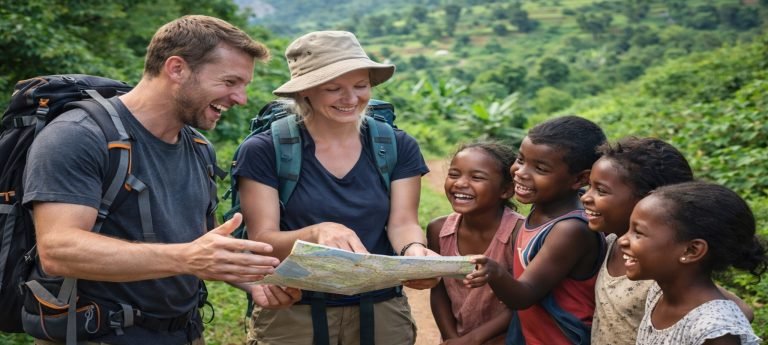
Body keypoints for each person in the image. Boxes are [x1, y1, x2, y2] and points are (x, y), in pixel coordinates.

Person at [22, 15, 300, 345]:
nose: (240, 98)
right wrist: (187, 258)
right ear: (177, 68)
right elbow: (58, 251)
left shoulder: (198, 147)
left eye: (244, 86)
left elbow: (197, 242)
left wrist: (252, 280)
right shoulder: (79, 135)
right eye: (230, 82)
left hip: (183, 332)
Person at [232, 30, 436, 345]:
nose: (351, 99)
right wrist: (316, 232)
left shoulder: (396, 145)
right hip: (295, 311)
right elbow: (264, 241)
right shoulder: (266, 150)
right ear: (305, 92)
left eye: (360, 85)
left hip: (381, 309)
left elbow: (403, 222)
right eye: (333, 88)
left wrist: (414, 252)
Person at [581, 136, 754, 345]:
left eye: (601, 190)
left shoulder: (660, 270)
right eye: (589, 187)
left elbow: (736, 312)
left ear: (649, 198)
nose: (585, 197)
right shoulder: (615, 243)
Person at [466, 115, 607, 345]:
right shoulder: (541, 211)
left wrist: (494, 271)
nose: (521, 172)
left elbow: (523, 296)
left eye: (540, 168)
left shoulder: (570, 229)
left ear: (580, 178)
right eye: (520, 160)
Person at [619, 181, 765, 345]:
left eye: (638, 233)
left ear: (691, 251)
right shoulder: (659, 291)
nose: (622, 241)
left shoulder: (715, 332)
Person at [426, 141, 524, 345]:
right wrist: (451, 338)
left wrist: (473, 340)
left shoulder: (519, 233)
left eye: (477, 177)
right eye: (454, 174)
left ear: (506, 190)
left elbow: (523, 301)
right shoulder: (439, 230)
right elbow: (439, 290)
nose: (460, 183)